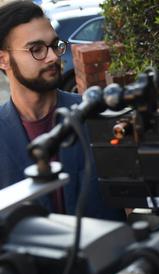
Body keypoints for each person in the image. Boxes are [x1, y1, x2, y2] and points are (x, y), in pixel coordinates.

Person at [0, 1, 122, 220]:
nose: (53, 57)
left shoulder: (97, 114)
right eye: (36, 49)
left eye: (55, 45)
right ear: (3, 59)